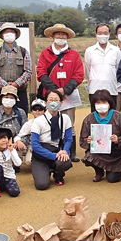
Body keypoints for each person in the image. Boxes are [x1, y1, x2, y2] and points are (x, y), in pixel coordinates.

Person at [36, 23, 84, 162]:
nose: (61, 37)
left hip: (68, 96)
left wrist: (65, 90)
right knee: (51, 121)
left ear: (67, 37)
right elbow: (41, 73)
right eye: (58, 34)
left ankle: (72, 152)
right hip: (50, 96)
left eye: (63, 34)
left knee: (69, 123)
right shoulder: (45, 53)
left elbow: (79, 75)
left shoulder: (74, 54)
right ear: (52, 36)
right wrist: (54, 91)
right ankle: (53, 150)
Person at [80, 89, 121, 183]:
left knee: (112, 179)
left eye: (104, 102)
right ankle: (99, 171)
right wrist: (87, 141)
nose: (101, 105)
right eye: (98, 102)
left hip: (117, 154)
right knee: (89, 156)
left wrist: (118, 140)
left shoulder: (118, 117)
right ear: (93, 104)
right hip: (98, 152)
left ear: (109, 102)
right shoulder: (89, 119)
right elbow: (82, 139)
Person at [30, 90, 73, 189]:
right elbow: (35, 145)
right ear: (45, 103)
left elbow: (69, 139)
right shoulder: (38, 121)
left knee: (65, 162)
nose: (53, 102)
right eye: (50, 100)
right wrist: (54, 155)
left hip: (58, 151)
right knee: (41, 185)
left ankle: (58, 174)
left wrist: (65, 152)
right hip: (41, 155)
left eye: (56, 100)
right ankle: (45, 171)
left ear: (61, 103)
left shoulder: (65, 118)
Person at [0, 22, 32, 114]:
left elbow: (28, 71)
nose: (9, 34)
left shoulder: (24, 51)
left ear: (16, 35)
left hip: (20, 90)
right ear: (2, 36)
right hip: (3, 91)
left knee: (22, 114)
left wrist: (17, 84)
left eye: (11, 32)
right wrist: (5, 84)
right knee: (2, 115)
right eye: (6, 32)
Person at [84, 23, 121, 110]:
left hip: (111, 89)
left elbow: (118, 69)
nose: (102, 35)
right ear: (96, 34)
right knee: (95, 117)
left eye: (105, 33)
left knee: (112, 117)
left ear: (109, 34)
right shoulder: (89, 51)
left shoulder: (116, 51)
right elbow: (88, 69)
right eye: (100, 33)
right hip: (94, 89)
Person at [0, 127, 22, 198]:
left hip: (9, 177)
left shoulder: (11, 150)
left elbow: (18, 164)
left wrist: (12, 151)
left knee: (15, 192)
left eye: (5, 138)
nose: (3, 141)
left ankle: (4, 187)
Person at [14, 98, 46, 167]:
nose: (37, 111)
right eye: (35, 108)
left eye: (40, 109)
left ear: (45, 111)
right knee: (28, 162)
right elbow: (18, 136)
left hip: (45, 147)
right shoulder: (29, 123)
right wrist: (19, 141)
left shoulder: (49, 122)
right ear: (31, 111)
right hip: (32, 147)